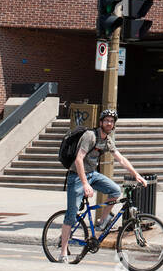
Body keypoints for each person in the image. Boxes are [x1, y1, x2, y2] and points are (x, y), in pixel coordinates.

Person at [59, 109, 146, 262]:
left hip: (93, 174)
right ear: (101, 122)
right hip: (77, 177)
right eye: (106, 120)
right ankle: (63, 252)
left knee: (115, 190)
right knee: (71, 216)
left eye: (112, 121)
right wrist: (85, 184)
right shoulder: (90, 136)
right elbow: (79, 160)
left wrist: (136, 174)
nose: (109, 123)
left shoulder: (107, 140)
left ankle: (102, 221)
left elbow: (121, 159)